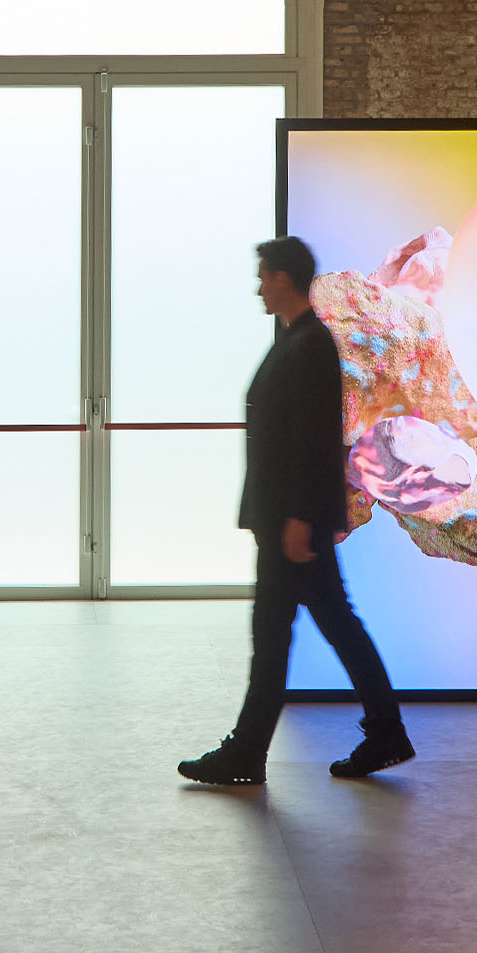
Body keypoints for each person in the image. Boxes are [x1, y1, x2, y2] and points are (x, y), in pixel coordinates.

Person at [178, 236, 416, 786]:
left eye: (264, 275)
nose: (259, 285)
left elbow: (312, 440)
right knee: (321, 623)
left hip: (292, 522)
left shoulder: (308, 344)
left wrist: (300, 520)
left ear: (283, 278)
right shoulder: (298, 339)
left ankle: (251, 750)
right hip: (289, 518)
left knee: (283, 630)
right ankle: (380, 732)